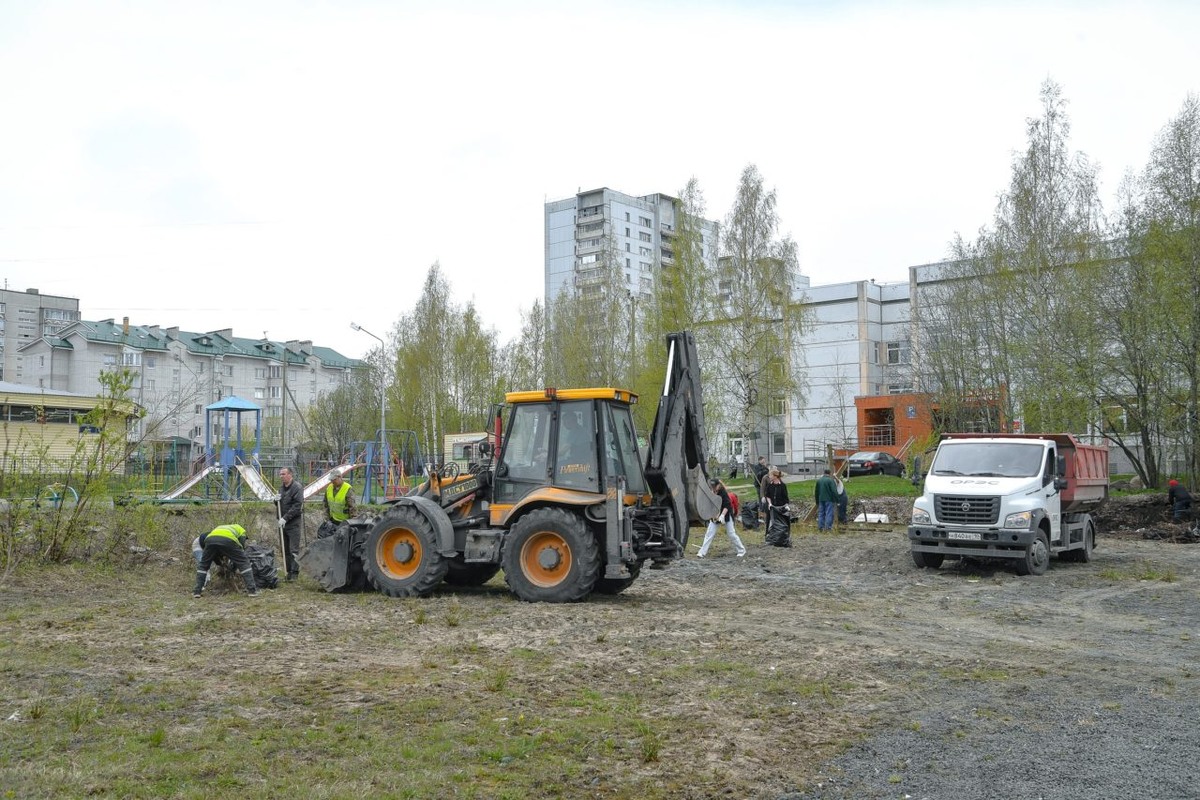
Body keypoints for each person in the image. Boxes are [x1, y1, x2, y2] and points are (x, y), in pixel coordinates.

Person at [192, 523, 259, 598]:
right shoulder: (241, 530)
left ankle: (197, 592)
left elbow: (218, 552)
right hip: (227, 540)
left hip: (209, 540)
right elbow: (241, 545)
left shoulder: (220, 527)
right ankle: (252, 591)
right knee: (244, 563)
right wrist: (237, 562)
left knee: (203, 566)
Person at [697, 478, 746, 558]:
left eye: (714, 486)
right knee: (709, 533)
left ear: (718, 485)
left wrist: (722, 515)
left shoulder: (723, 492)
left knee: (731, 533)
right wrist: (713, 515)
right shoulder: (710, 492)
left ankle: (741, 550)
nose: (713, 488)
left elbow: (727, 505)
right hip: (715, 514)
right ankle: (702, 552)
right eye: (712, 486)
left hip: (726, 514)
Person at [278, 467, 304, 581]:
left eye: (283, 474)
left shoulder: (297, 488)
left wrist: (285, 518)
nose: (281, 476)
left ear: (290, 475)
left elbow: (297, 506)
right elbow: (280, 504)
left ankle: (294, 573)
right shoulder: (281, 488)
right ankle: (287, 572)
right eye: (280, 474)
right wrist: (275, 500)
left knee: (293, 549)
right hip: (283, 524)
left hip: (293, 523)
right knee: (285, 549)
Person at [763, 467, 791, 545]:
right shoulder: (770, 485)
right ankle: (769, 538)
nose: (769, 476)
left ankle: (784, 538)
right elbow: (767, 495)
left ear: (775, 476)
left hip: (780, 508)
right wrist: (769, 504)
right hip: (772, 508)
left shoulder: (782, 485)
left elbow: (785, 497)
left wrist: (786, 506)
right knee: (770, 523)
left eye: (770, 475)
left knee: (782, 524)